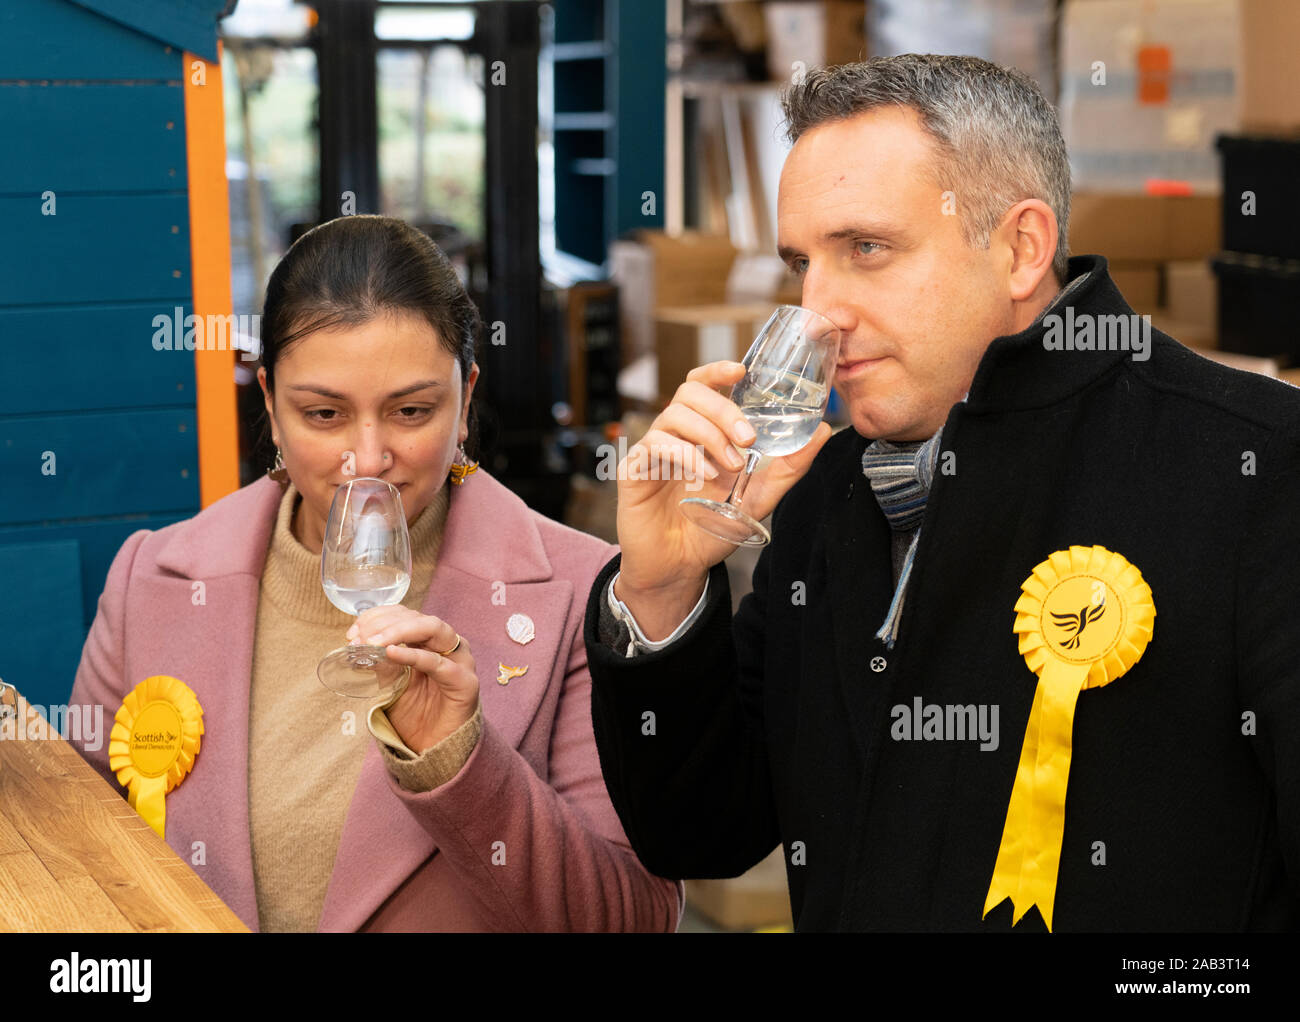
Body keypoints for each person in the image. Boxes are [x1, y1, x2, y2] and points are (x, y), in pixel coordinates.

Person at [584, 55, 1300, 931]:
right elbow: (704, 835)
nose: (820, 309)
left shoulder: (1260, 471)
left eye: (867, 249)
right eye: (802, 262)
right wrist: (659, 592)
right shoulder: (821, 492)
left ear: (1020, 248)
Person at [71, 215, 681, 933]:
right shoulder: (151, 580)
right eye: (324, 413)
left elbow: (632, 919)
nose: (367, 458)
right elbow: (82, 865)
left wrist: (459, 763)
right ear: (268, 403)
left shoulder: (586, 594)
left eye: (411, 410)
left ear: (465, 401)